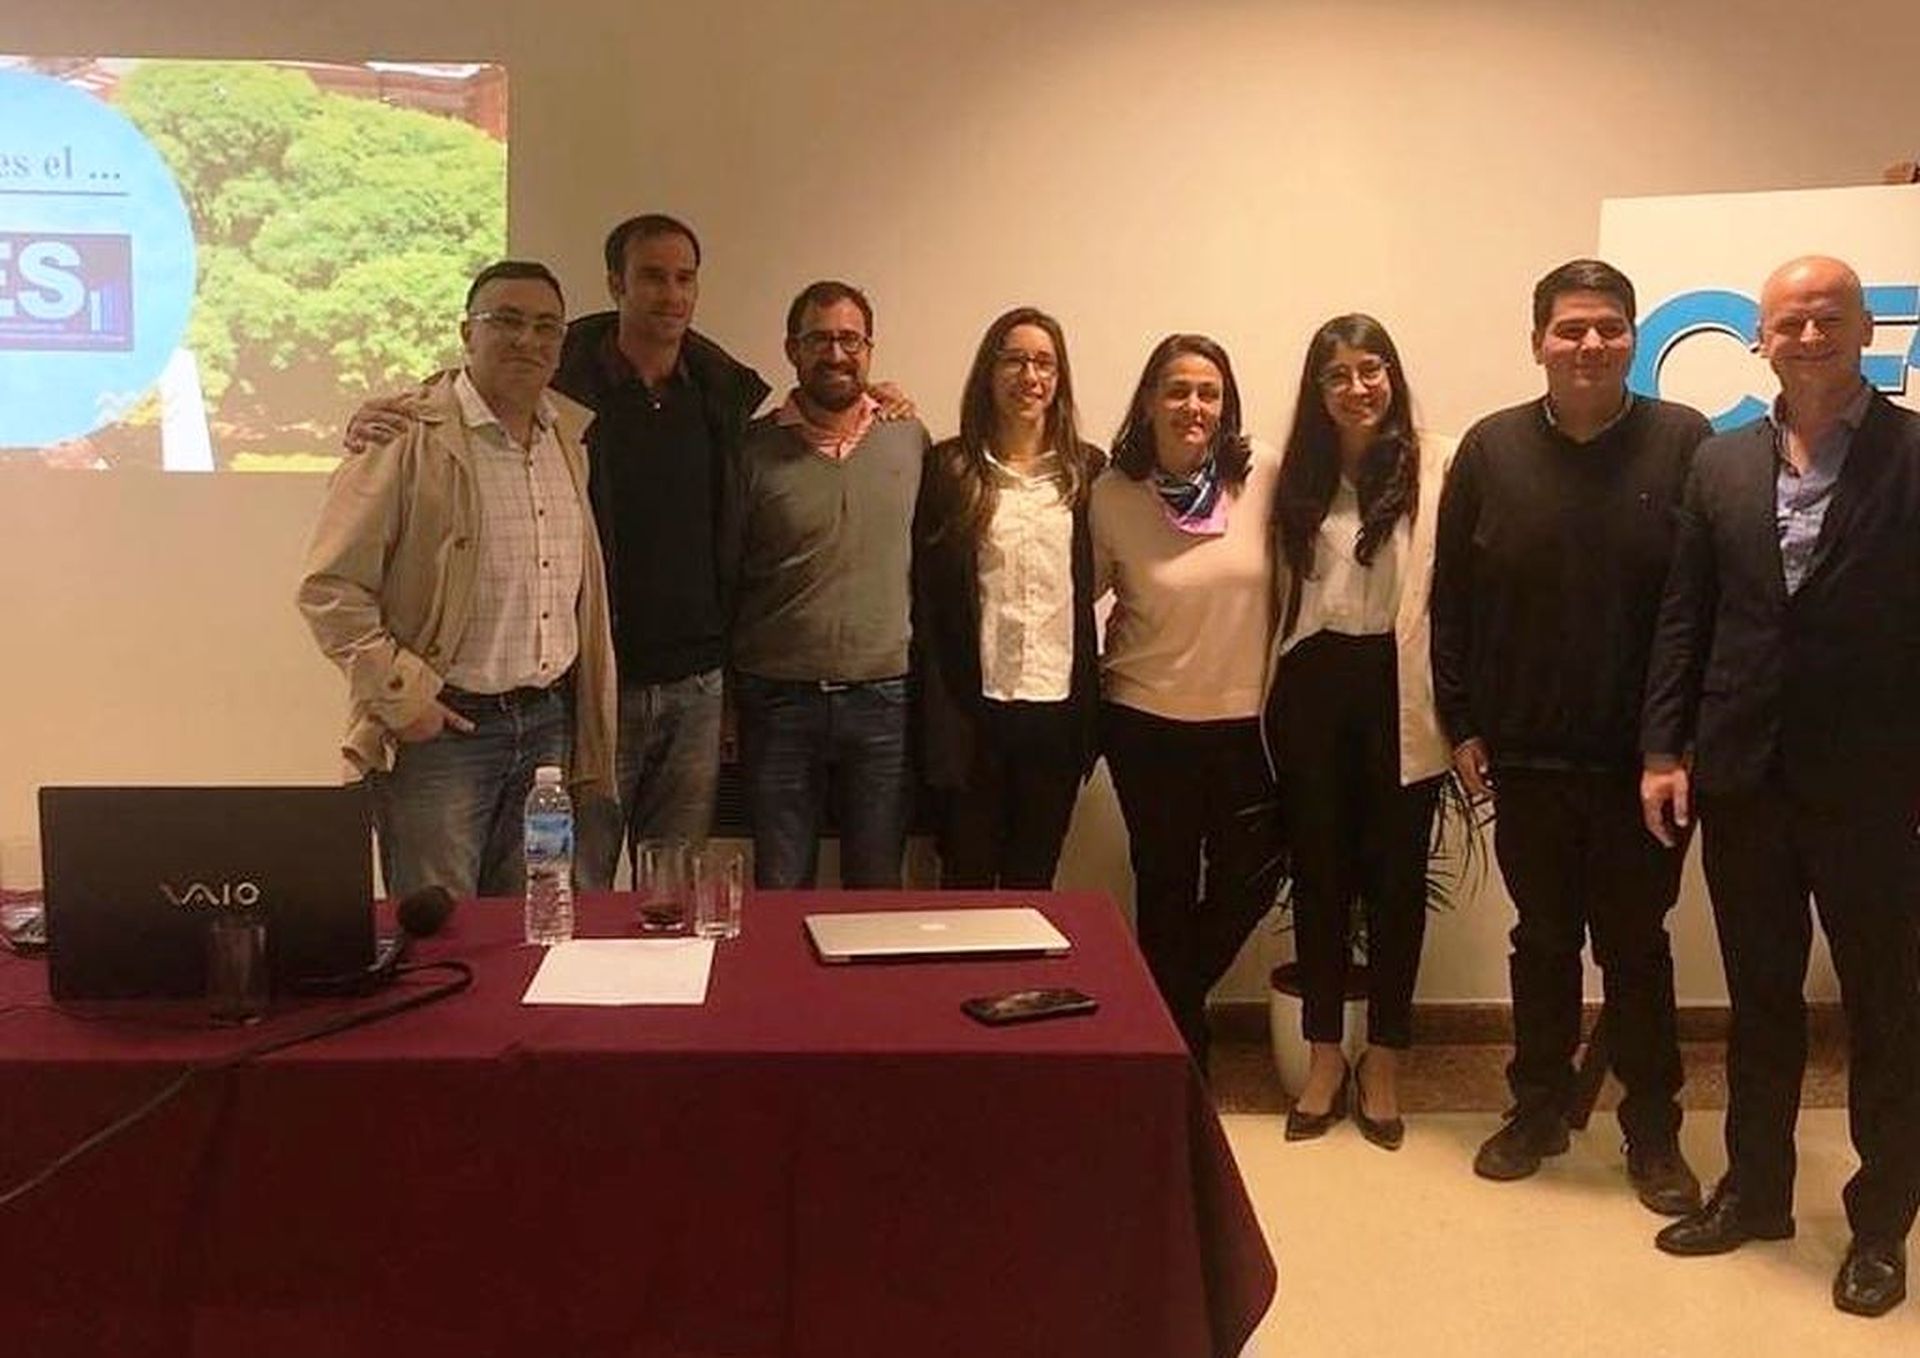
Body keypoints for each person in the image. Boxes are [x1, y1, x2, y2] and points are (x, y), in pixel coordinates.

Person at [1641, 255, 1920, 1317]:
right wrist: (1663, 749)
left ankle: (1881, 1224)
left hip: (1875, 784)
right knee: (1760, 998)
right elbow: (1686, 617)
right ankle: (1755, 1192)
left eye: (1828, 317)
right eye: (1789, 321)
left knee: (1886, 1006)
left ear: (1866, 330)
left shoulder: (1913, 455)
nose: (1808, 335)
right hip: (1743, 774)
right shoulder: (1720, 463)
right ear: (1759, 338)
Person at [1430, 259, 1711, 1211]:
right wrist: (1462, 721)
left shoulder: (1684, 442)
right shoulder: (1491, 449)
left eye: (1608, 327)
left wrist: (1677, 744)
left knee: (1637, 949)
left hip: (1646, 767)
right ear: (1538, 342)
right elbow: (1451, 601)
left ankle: (1653, 1130)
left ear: (1633, 337)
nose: (1590, 344)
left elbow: (1701, 606)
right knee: (1542, 941)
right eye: (1570, 328)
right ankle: (1539, 1109)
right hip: (1526, 757)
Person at [298, 260, 615, 899]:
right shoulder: (405, 436)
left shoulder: (567, 438)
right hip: (443, 736)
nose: (527, 339)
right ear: (468, 332)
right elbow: (331, 588)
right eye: (507, 321)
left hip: (547, 727)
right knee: (440, 929)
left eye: (546, 327)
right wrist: (402, 698)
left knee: (533, 923)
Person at [1264, 315, 1455, 1150]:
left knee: (1396, 882)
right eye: (1337, 374)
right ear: (1317, 389)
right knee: (1318, 873)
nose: (1356, 388)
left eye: (1370, 370)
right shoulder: (1291, 475)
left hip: (1399, 685)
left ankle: (1383, 1059)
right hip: (1311, 683)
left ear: (1393, 375)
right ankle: (1321, 1058)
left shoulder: (1437, 466)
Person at [1093, 333, 1283, 1069]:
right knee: (1164, 886)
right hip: (1146, 723)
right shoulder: (1112, 494)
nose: (1193, 406)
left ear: (1226, 404)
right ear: (1148, 401)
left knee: (1254, 877)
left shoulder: (1262, 476)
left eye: (1209, 392)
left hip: (1247, 725)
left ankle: (1154, 1005)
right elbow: (1074, 597)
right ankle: (1179, 1051)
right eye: (1177, 390)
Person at [727, 281, 930, 888]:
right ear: (792, 349)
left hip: (884, 701)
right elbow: (726, 574)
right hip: (776, 701)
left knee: (876, 889)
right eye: (818, 339)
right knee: (782, 884)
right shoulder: (751, 448)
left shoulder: (909, 439)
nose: (836, 354)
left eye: (850, 340)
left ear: (870, 349)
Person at [912, 307, 1105, 888]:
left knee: (1033, 884)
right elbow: (927, 599)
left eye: (1045, 363)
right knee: (965, 884)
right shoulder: (949, 468)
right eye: (1014, 360)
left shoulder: (1087, 471)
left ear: (1060, 378)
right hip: (974, 714)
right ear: (988, 372)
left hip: (1057, 713)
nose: (1030, 376)